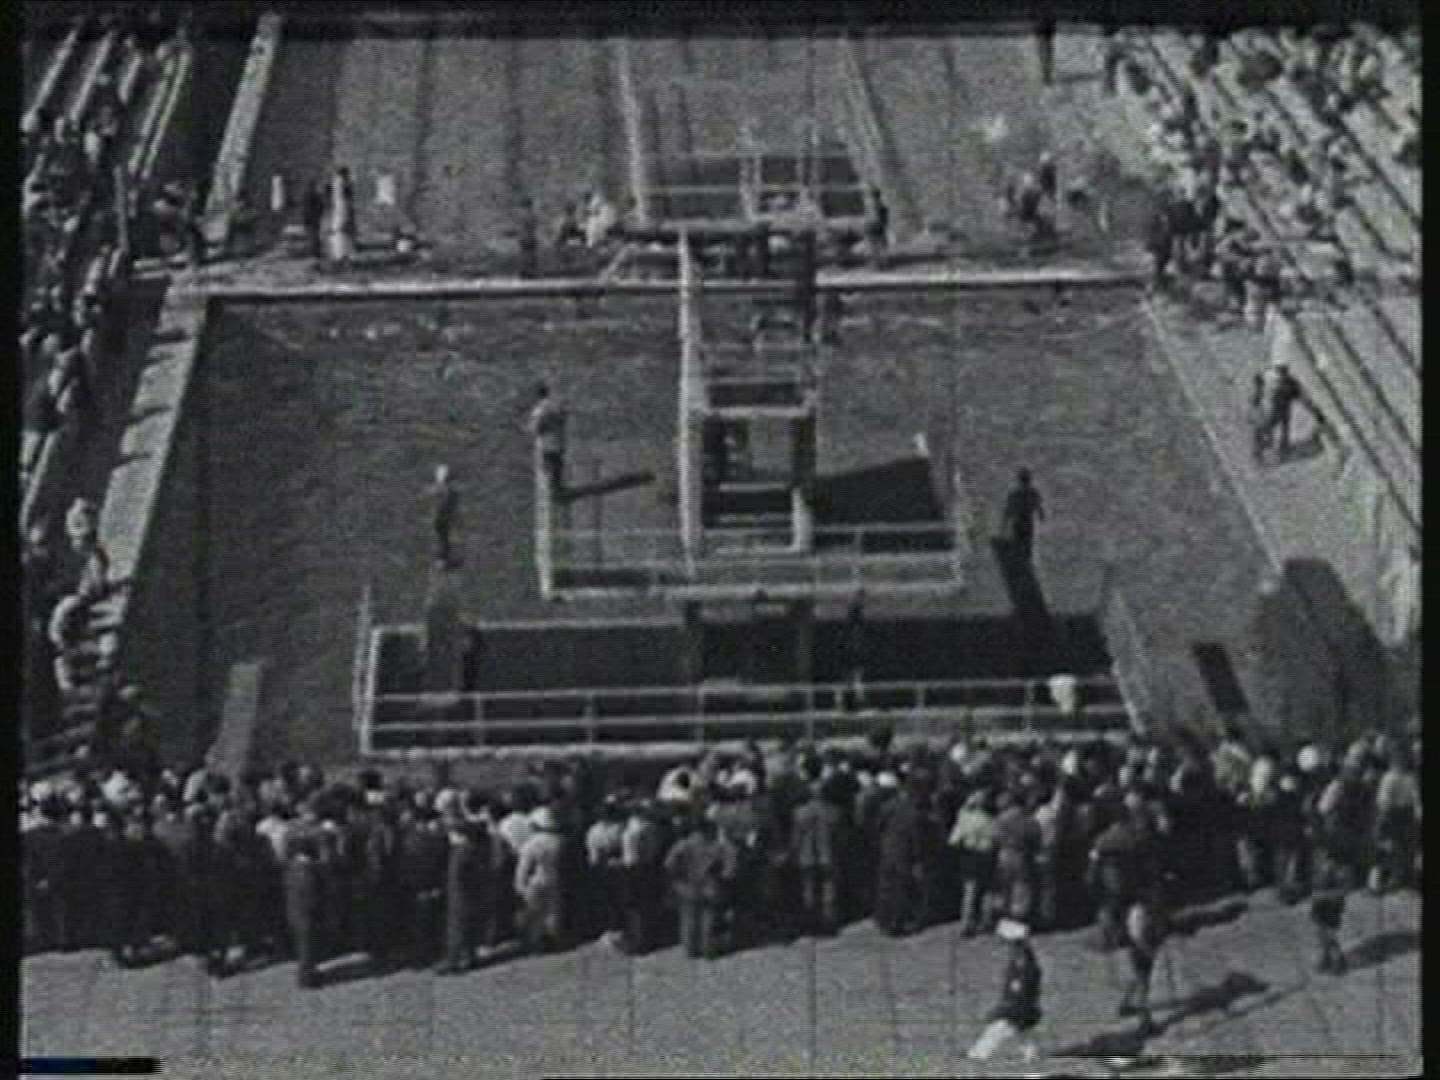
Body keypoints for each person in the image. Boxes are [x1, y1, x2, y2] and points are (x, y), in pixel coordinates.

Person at [969, 917, 1043, 1065]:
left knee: (998, 1028)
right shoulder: (1020, 963)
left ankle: (978, 1055)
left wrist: (1004, 1009)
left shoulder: (1025, 965)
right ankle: (1032, 1055)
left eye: (1011, 945)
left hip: (1020, 1008)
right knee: (1022, 1033)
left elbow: (1019, 992)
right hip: (1022, 1007)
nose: (1008, 948)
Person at [514, 806, 566, 953]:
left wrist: (519, 885)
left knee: (535, 915)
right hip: (554, 879)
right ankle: (553, 940)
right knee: (552, 913)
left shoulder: (531, 844)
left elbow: (524, 868)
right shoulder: (560, 840)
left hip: (535, 883)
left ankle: (535, 943)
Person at [528, 382, 568, 494]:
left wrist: (533, 428)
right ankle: (557, 487)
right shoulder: (556, 406)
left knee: (548, 467)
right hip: (558, 440)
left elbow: (535, 428)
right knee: (557, 465)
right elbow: (563, 418)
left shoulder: (540, 409)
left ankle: (551, 490)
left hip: (547, 442)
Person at [999, 468, 1045, 565]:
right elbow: (1038, 506)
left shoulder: (1017, 493)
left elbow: (1008, 509)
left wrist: (1004, 522)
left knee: (1020, 541)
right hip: (1025, 520)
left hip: (1021, 520)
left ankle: (1022, 560)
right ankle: (1024, 560)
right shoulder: (1032, 492)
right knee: (1025, 542)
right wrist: (1041, 515)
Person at [427, 464, 459, 568]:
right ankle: (441, 561)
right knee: (442, 539)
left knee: (441, 538)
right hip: (442, 517)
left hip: (438, 517)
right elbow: (448, 505)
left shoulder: (434, 489)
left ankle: (441, 560)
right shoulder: (450, 491)